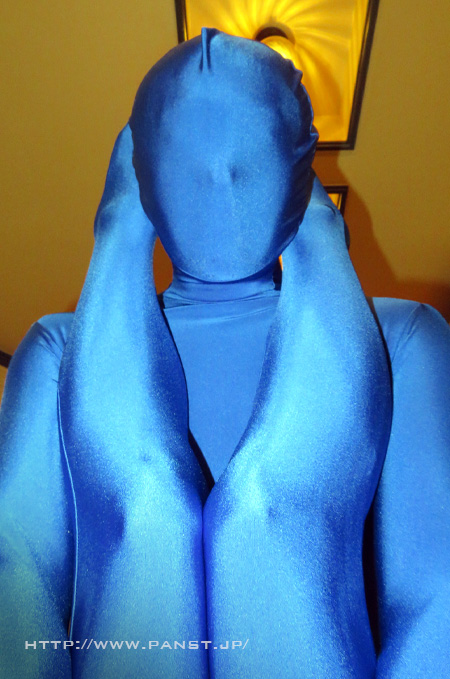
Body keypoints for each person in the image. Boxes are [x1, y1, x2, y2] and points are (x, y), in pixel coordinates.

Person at [0, 27, 449, 679]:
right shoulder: (57, 349)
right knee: (157, 514)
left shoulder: (403, 339)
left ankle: (262, 508)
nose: (219, 172)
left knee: (247, 519)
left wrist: (117, 237)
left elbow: (439, 598)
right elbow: (14, 588)